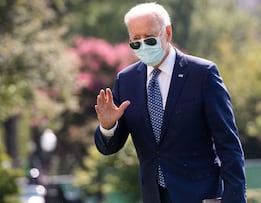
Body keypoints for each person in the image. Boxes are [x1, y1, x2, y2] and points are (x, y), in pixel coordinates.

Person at [94, 2, 246, 203]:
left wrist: (234, 199)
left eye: (149, 39)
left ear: (167, 32)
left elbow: (228, 144)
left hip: (201, 195)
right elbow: (109, 147)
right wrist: (108, 127)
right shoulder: (126, 80)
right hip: (154, 197)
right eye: (135, 42)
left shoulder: (202, 74)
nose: (143, 46)